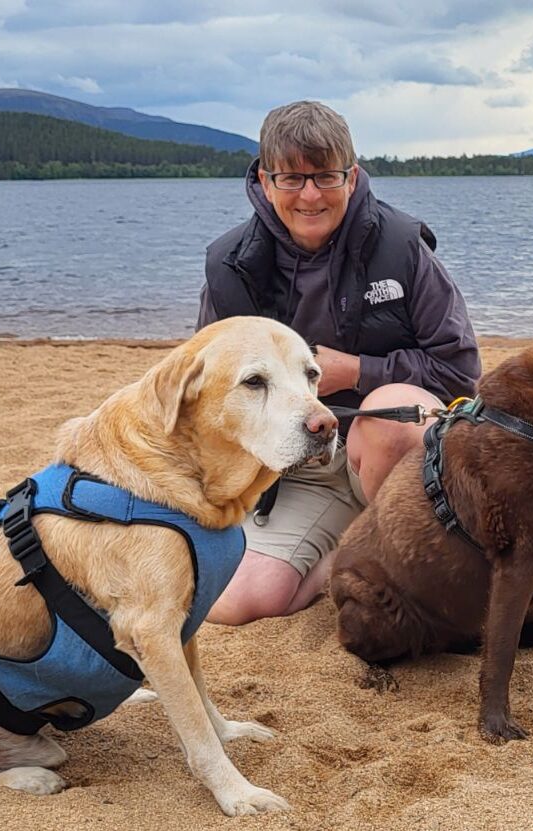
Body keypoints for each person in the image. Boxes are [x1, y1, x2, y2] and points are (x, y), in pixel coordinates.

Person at [197, 100, 481, 625]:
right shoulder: (230, 266)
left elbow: (460, 370)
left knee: (393, 413)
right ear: (265, 181)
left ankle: (407, 544)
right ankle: (355, 551)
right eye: (291, 178)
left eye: (326, 176)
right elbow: (210, 396)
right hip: (296, 468)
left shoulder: (402, 247)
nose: (310, 195)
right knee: (234, 603)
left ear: (351, 177)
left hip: (393, 456)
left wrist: (358, 372)